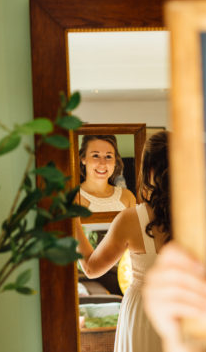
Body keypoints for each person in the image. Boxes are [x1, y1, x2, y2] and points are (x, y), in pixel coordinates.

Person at [75, 131, 171, 352]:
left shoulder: (130, 217)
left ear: (149, 170)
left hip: (145, 312)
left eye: (108, 156)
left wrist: (73, 222)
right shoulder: (203, 214)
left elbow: (91, 268)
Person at [79, 135, 136, 212]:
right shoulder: (72, 198)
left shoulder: (127, 197)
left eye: (108, 156)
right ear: (83, 159)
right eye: (95, 155)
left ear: (115, 161)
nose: (102, 163)